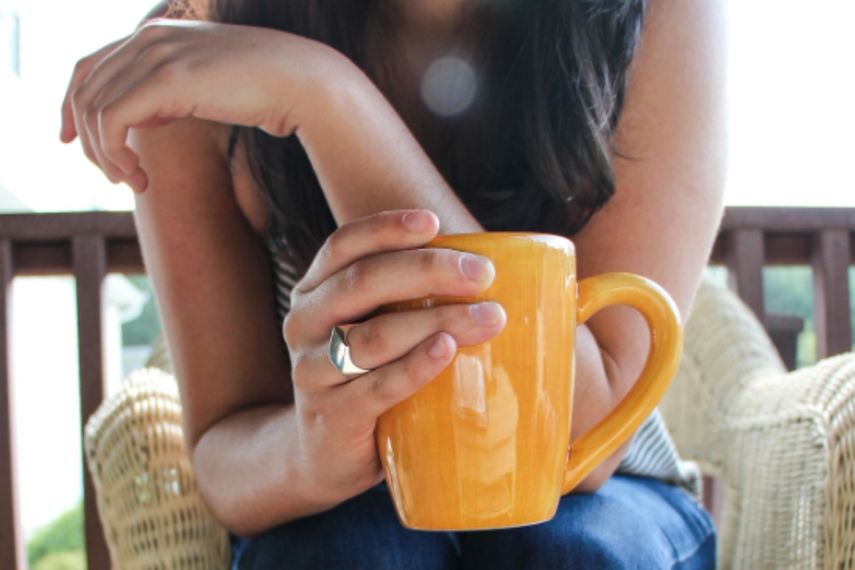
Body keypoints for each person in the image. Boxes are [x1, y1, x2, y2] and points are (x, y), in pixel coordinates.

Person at [60, 0, 724, 567]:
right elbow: (223, 450)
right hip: (332, 505)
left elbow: (579, 443)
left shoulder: (651, 15)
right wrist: (309, 452)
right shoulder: (193, 53)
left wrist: (324, 98)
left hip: (605, 497)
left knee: (576, 550)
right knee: (334, 553)